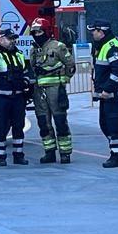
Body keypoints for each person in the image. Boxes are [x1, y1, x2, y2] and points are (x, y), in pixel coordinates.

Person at [29, 17, 76, 164]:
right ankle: (49, 152)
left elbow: (71, 66)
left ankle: (65, 153)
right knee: (43, 123)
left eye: (39, 31)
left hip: (56, 91)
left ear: (47, 31)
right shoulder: (33, 50)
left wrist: (63, 82)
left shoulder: (58, 47)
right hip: (39, 92)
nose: (37, 35)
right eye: (34, 32)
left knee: (60, 121)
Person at [0, 27, 32, 166]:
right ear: (1, 39)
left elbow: (26, 73)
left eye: (13, 39)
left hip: (17, 97)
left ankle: (18, 156)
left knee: (19, 126)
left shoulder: (19, 55)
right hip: (0, 98)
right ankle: (0, 157)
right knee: (1, 127)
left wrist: (25, 83)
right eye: (9, 38)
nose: (12, 41)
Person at [89, 20, 118, 168]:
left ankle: (117, 156)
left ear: (102, 32)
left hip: (114, 95)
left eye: (94, 30)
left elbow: (117, 71)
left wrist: (107, 89)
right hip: (107, 95)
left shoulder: (113, 48)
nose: (92, 33)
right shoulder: (103, 46)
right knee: (105, 124)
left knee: (114, 126)